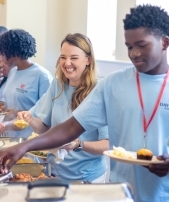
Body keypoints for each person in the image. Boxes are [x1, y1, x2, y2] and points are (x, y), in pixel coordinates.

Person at [0, 5, 169, 202]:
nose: (134, 53)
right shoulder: (114, 84)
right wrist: (25, 146)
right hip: (121, 192)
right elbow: (70, 127)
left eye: (142, 45)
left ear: (164, 42)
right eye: (129, 47)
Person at [15, 33, 109, 182]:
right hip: (54, 175)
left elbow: (107, 145)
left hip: (87, 179)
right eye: (63, 57)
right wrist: (31, 119)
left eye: (74, 58)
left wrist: (79, 144)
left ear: (88, 60)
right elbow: (45, 129)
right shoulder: (57, 85)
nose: (67, 63)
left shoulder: (100, 92)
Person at [0, 29, 53, 138]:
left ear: (12, 51)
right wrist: (0, 105)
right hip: (7, 133)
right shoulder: (13, 72)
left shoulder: (42, 76)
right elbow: (10, 100)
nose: (1, 57)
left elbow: (46, 115)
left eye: (2, 53)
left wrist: (19, 112)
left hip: (28, 139)